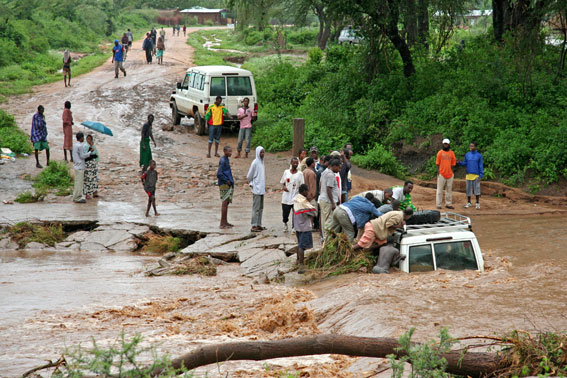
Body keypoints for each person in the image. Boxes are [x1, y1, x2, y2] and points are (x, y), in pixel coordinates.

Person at [293, 184, 317, 273]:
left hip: (297, 225)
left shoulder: (296, 198)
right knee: (302, 246)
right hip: (304, 226)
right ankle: (301, 265)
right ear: (304, 191)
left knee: (300, 244)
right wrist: (311, 201)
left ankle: (297, 261)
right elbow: (314, 212)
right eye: (307, 191)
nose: (308, 193)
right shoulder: (304, 202)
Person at [318, 158, 341, 240]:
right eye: (338, 167)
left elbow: (320, 184)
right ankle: (327, 240)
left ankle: (324, 238)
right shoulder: (331, 175)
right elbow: (329, 189)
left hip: (322, 199)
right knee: (329, 221)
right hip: (328, 201)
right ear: (334, 166)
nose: (339, 170)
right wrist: (333, 203)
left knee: (324, 220)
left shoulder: (324, 172)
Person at [280, 157, 305, 232]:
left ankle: (294, 227)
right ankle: (285, 223)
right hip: (286, 198)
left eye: (297, 163)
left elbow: (302, 185)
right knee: (285, 213)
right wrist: (284, 187)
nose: (295, 164)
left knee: (295, 213)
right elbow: (283, 183)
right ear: (291, 163)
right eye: (294, 163)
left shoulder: (300, 174)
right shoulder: (286, 172)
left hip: (295, 197)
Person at [458, 142, 484, 210]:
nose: (471, 147)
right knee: (468, 189)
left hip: (476, 175)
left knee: (477, 189)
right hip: (468, 174)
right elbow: (465, 163)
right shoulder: (467, 155)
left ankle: (477, 203)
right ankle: (469, 202)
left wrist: (481, 175)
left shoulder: (479, 155)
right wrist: (459, 162)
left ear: (475, 147)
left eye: (472, 146)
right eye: (470, 146)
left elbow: (481, 165)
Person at [247, 146, 266, 232]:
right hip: (257, 189)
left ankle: (259, 224)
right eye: (261, 152)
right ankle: (254, 225)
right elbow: (249, 176)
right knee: (256, 208)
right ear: (257, 153)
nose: (262, 154)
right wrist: (251, 183)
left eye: (263, 152)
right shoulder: (255, 162)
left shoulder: (262, 162)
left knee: (261, 208)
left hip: (261, 189)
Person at [436, 138, 457, 209]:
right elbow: (437, 163)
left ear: (448, 144)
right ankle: (438, 204)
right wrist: (438, 172)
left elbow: (453, 163)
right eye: (444, 143)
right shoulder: (440, 153)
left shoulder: (452, 153)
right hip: (442, 173)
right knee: (439, 190)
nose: (445, 145)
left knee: (449, 190)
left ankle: (448, 204)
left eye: (447, 144)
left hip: (450, 174)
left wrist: (451, 171)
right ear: (443, 144)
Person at [217, 146, 234, 229]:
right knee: (224, 203)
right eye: (229, 152)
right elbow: (219, 174)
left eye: (231, 151)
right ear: (224, 151)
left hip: (227, 183)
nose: (230, 153)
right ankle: (222, 223)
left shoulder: (226, 159)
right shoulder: (223, 160)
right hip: (224, 184)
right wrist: (226, 180)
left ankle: (225, 221)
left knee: (226, 203)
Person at [72, 132, 92, 203]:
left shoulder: (75, 145)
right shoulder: (80, 146)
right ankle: (78, 198)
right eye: (83, 137)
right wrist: (89, 152)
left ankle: (75, 196)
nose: (83, 138)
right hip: (80, 166)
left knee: (77, 182)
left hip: (76, 165)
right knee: (79, 183)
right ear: (81, 138)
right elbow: (82, 156)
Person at [83, 134, 99, 199]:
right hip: (87, 164)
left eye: (90, 139)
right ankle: (87, 193)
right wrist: (90, 151)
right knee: (88, 179)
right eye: (88, 138)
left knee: (94, 178)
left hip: (93, 164)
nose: (89, 140)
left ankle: (94, 192)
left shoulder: (94, 146)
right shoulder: (85, 146)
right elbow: (85, 156)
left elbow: (97, 154)